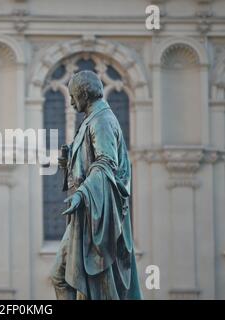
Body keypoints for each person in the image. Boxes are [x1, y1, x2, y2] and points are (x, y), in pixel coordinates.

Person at [50, 70, 142, 300]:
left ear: (84, 94)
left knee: (64, 276)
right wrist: (69, 160)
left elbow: (105, 163)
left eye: (73, 96)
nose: (70, 102)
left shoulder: (101, 120)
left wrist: (82, 194)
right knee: (62, 276)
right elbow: (92, 162)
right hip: (89, 213)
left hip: (99, 216)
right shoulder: (93, 119)